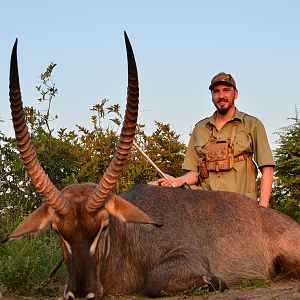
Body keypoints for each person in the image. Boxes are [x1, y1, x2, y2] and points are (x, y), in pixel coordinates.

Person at [149, 72, 274, 207]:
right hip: (205, 206)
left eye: (226, 90)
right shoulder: (200, 128)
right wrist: (177, 181)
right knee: (153, 188)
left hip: (240, 208)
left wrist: (262, 210)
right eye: (216, 91)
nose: (221, 96)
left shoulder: (252, 124)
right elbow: (193, 173)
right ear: (212, 96)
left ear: (235, 94)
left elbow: (267, 168)